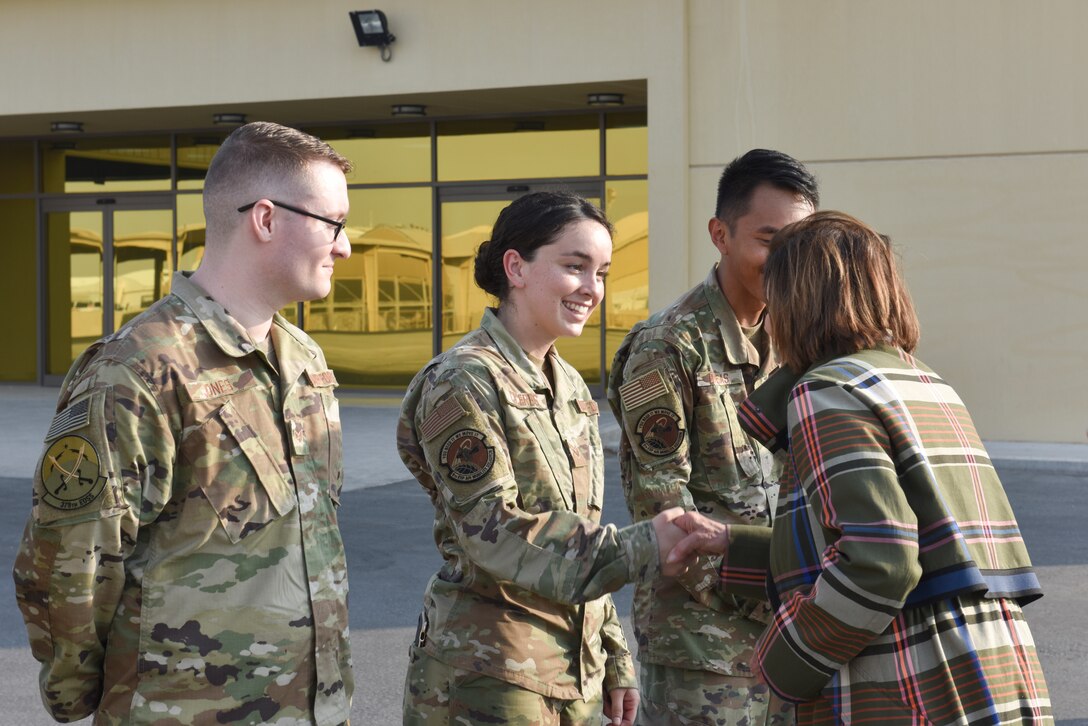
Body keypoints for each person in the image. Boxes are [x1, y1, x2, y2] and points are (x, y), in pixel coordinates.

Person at [13, 121, 355, 725]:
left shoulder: (303, 359)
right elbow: (74, 562)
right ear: (266, 219)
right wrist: (87, 694)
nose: (345, 246)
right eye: (334, 224)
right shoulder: (137, 369)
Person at [668, 211, 1053, 724]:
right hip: (992, 663)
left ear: (798, 299)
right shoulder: (921, 379)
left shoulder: (827, 389)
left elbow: (881, 563)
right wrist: (731, 544)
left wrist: (788, 659)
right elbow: (923, 546)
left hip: (911, 674)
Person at [397, 191, 687, 726]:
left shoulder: (569, 385)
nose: (591, 289)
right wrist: (641, 546)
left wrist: (614, 654)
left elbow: (580, 525)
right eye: (575, 267)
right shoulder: (463, 380)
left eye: (600, 272)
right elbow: (494, 532)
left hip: (573, 672)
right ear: (517, 267)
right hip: (490, 676)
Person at [606, 149, 818, 725]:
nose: (785, 261)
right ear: (720, 234)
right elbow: (666, 517)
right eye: (769, 239)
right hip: (702, 649)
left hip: (789, 631)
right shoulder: (667, 348)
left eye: (799, 244)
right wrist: (776, 588)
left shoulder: (797, 339)